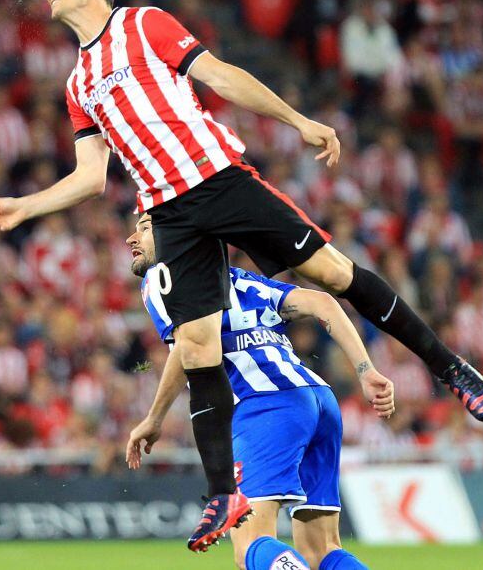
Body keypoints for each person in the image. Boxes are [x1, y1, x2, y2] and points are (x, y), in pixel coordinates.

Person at [0, 0, 483, 551]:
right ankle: (223, 492)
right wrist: (25, 205)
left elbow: (220, 75)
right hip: (167, 212)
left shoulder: (143, 23)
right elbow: (91, 175)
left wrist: (298, 121)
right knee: (197, 343)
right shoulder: (77, 83)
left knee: (331, 272)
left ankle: (447, 366)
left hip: (218, 178)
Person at [125, 212, 388, 569]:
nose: (131, 239)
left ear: (174, 236)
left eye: (144, 228)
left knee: (251, 544)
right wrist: (365, 369)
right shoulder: (244, 281)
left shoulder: (162, 277)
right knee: (321, 549)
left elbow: (188, 348)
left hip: (265, 406)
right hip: (318, 399)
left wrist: (153, 418)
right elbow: (325, 303)